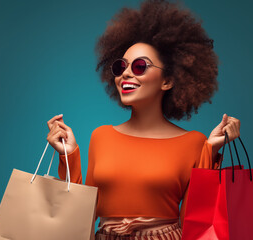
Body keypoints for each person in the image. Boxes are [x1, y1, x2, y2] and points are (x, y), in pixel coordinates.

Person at [46, 0, 241, 239]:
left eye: (140, 66)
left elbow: (195, 221)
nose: (126, 73)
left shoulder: (194, 143)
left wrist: (210, 151)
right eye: (121, 66)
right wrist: (69, 155)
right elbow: (80, 216)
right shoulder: (102, 136)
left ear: (167, 81)